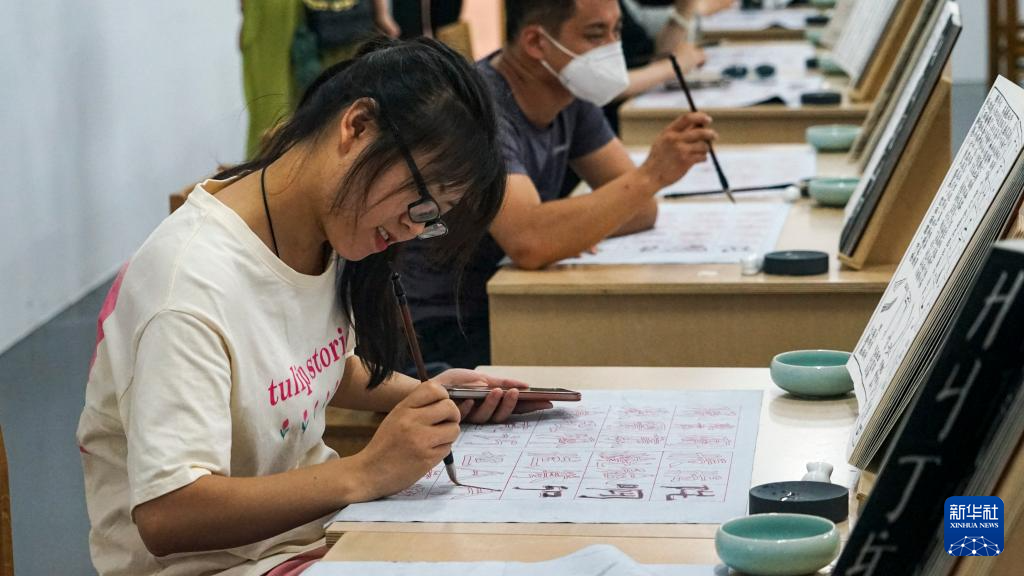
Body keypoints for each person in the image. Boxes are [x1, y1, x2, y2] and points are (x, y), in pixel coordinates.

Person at [77, 38, 550, 576]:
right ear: (357, 127)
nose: (412, 229)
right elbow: (169, 513)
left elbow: (307, 367)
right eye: (421, 202)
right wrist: (367, 471)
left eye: (432, 217)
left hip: (312, 539)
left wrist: (430, 396)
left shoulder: (321, 230)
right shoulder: (187, 286)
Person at [400, 0, 718, 371]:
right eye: (595, 34)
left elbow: (642, 210)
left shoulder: (569, 93)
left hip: (509, 305)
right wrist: (650, 175)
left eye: (616, 31)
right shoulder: (477, 109)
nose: (612, 47)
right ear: (536, 42)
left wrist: (570, 227)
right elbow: (531, 241)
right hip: (442, 331)